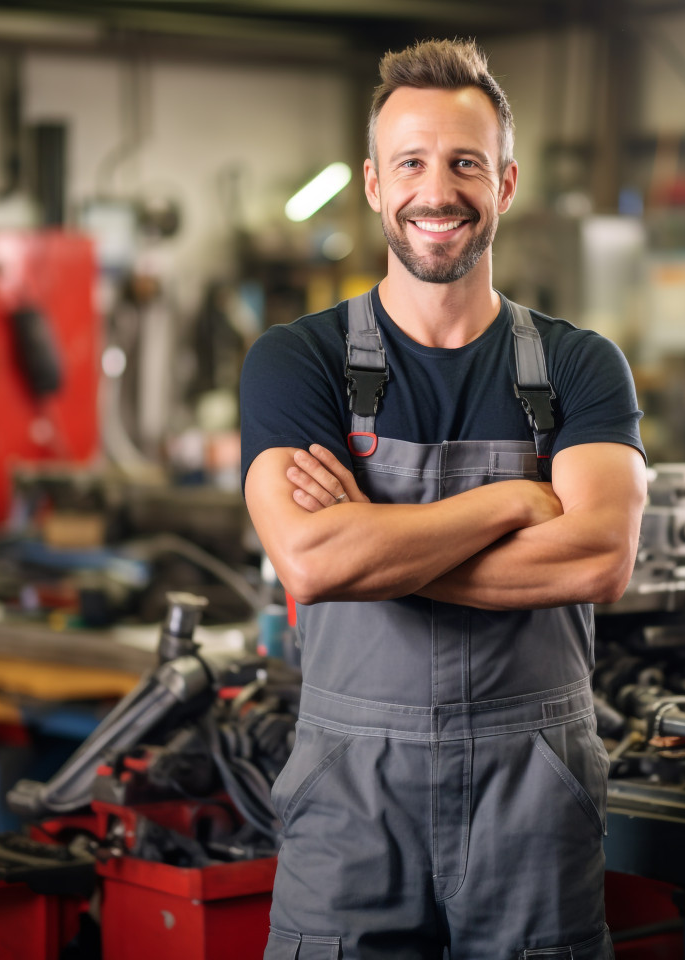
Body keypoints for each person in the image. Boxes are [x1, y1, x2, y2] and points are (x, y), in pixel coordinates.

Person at [241, 37, 647, 960]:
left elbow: (598, 559)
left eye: (466, 163)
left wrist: (374, 544)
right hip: (351, 792)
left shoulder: (581, 365)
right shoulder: (296, 362)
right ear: (376, 186)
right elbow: (310, 561)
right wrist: (512, 500)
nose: (438, 190)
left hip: (534, 784)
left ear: (504, 185)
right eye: (411, 163)